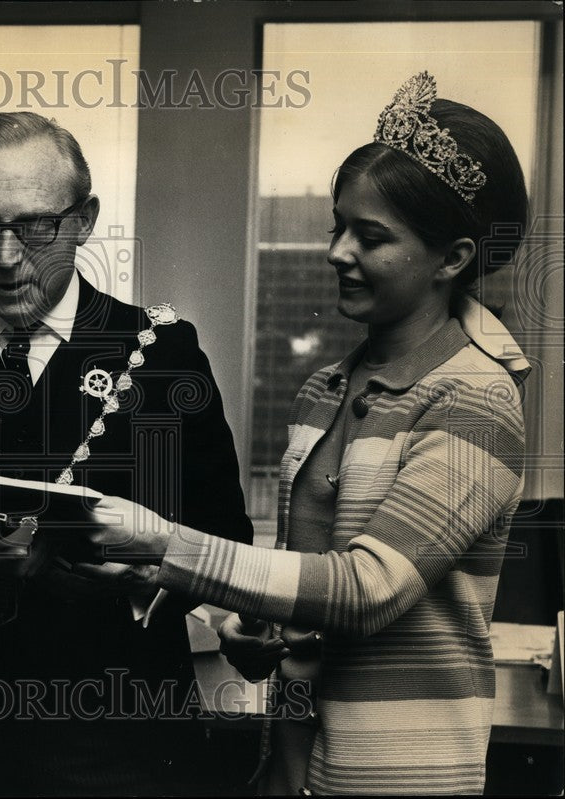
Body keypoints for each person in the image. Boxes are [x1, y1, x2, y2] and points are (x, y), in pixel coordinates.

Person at [79, 72, 530, 795]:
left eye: (372, 237)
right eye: (338, 226)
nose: (337, 252)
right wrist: (257, 631)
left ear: (453, 259)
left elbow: (365, 590)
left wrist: (166, 545)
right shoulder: (323, 390)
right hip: (289, 768)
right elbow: (315, 608)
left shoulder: (477, 397)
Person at [0, 111, 254, 795]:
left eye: (35, 226)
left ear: (84, 220)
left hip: (118, 738)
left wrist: (139, 579)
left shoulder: (159, 351)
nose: (6, 257)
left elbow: (226, 538)